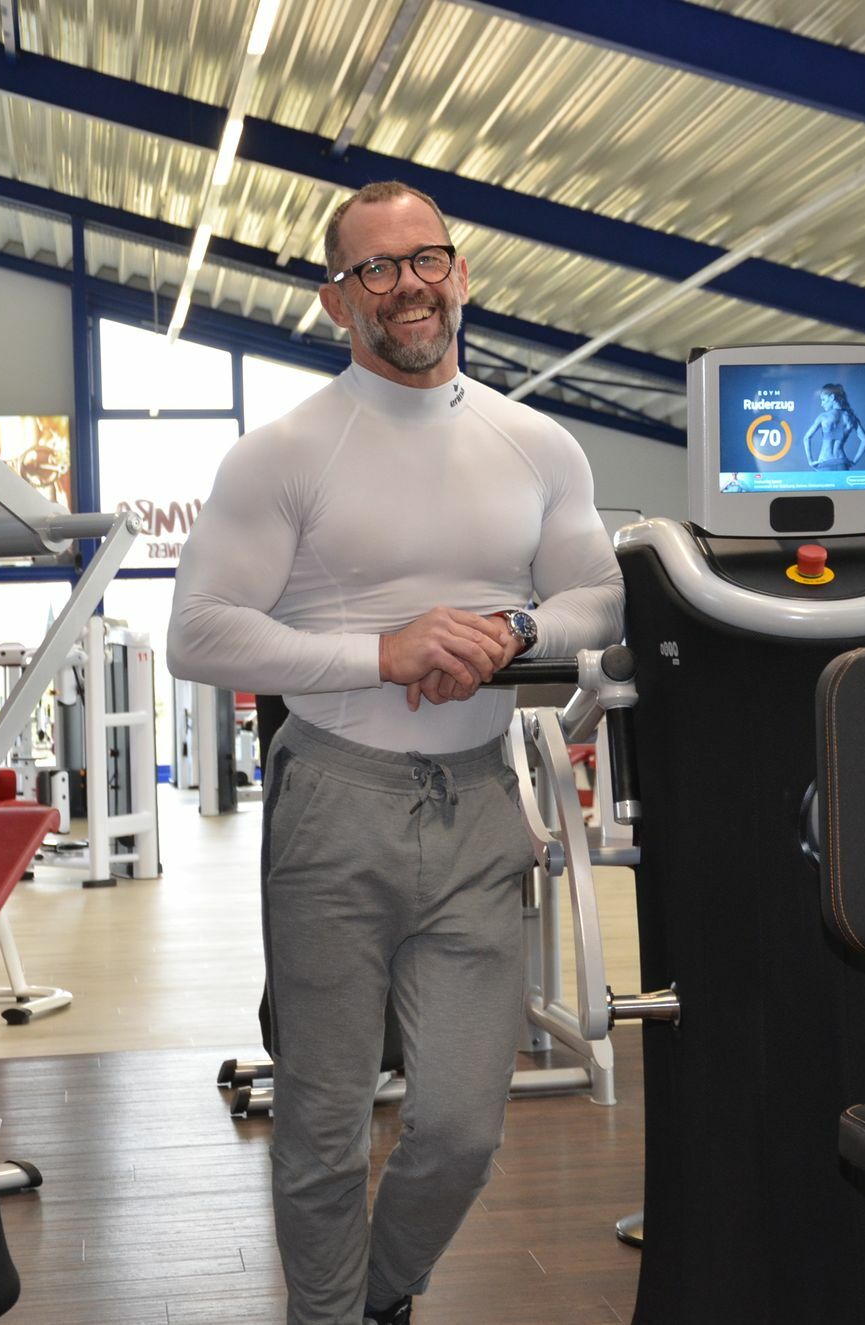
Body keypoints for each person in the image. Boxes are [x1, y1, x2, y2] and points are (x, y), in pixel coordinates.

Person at [166, 180, 624, 1325]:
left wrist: (513, 630)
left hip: (478, 799)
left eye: (424, 259)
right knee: (323, 1123)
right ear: (336, 299)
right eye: (374, 267)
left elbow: (599, 596)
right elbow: (199, 632)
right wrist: (382, 651)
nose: (405, 285)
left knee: (461, 1126)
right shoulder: (282, 453)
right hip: (335, 797)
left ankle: (374, 1296)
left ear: (459, 274)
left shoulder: (536, 443)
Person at [801, 382, 865, 470]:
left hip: (825, 462)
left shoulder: (823, 417)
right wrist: (854, 461)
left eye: (823, 399)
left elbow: (806, 438)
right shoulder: (851, 417)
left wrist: (810, 461)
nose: (821, 404)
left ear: (832, 397)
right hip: (842, 463)